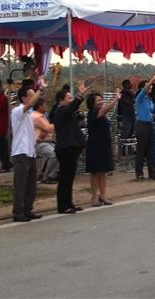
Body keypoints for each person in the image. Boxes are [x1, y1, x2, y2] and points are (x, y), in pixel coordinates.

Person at [54, 81, 90, 214]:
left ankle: (69, 203)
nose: (70, 100)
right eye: (68, 98)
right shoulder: (60, 111)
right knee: (65, 178)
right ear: (61, 100)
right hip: (65, 148)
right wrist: (80, 95)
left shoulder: (66, 112)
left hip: (71, 147)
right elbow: (71, 107)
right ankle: (63, 205)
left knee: (69, 178)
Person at [10, 83, 45, 222]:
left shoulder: (30, 114)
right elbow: (29, 105)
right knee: (20, 185)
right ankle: (17, 212)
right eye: (31, 95)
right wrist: (40, 90)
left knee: (31, 184)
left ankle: (27, 209)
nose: (34, 97)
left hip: (30, 151)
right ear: (24, 98)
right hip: (20, 152)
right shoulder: (18, 111)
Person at [86, 90, 120, 207]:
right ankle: (94, 196)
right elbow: (105, 109)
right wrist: (115, 99)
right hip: (94, 146)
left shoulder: (102, 115)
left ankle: (103, 195)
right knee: (95, 172)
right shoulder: (92, 113)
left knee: (103, 172)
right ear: (92, 103)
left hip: (104, 145)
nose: (101, 102)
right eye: (98, 100)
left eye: (101, 100)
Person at [134, 73, 155, 182]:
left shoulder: (149, 99)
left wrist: (154, 116)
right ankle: (139, 173)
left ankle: (153, 173)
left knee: (151, 150)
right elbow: (145, 88)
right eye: (148, 86)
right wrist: (152, 79)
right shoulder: (139, 98)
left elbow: (149, 112)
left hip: (150, 125)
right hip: (141, 125)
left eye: (150, 86)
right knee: (141, 150)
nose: (150, 87)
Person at [32, 98, 59, 184]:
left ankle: (49, 174)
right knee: (54, 154)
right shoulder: (37, 116)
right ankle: (47, 176)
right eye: (45, 105)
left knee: (60, 152)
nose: (46, 106)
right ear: (40, 106)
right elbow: (48, 128)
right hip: (39, 142)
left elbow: (47, 129)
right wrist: (58, 122)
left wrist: (46, 129)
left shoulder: (41, 115)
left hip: (46, 141)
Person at [0, 78, 12, 173]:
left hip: (0, 127)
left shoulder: (3, 98)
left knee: (2, 147)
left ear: (0, 87)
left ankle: (6, 165)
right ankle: (5, 163)